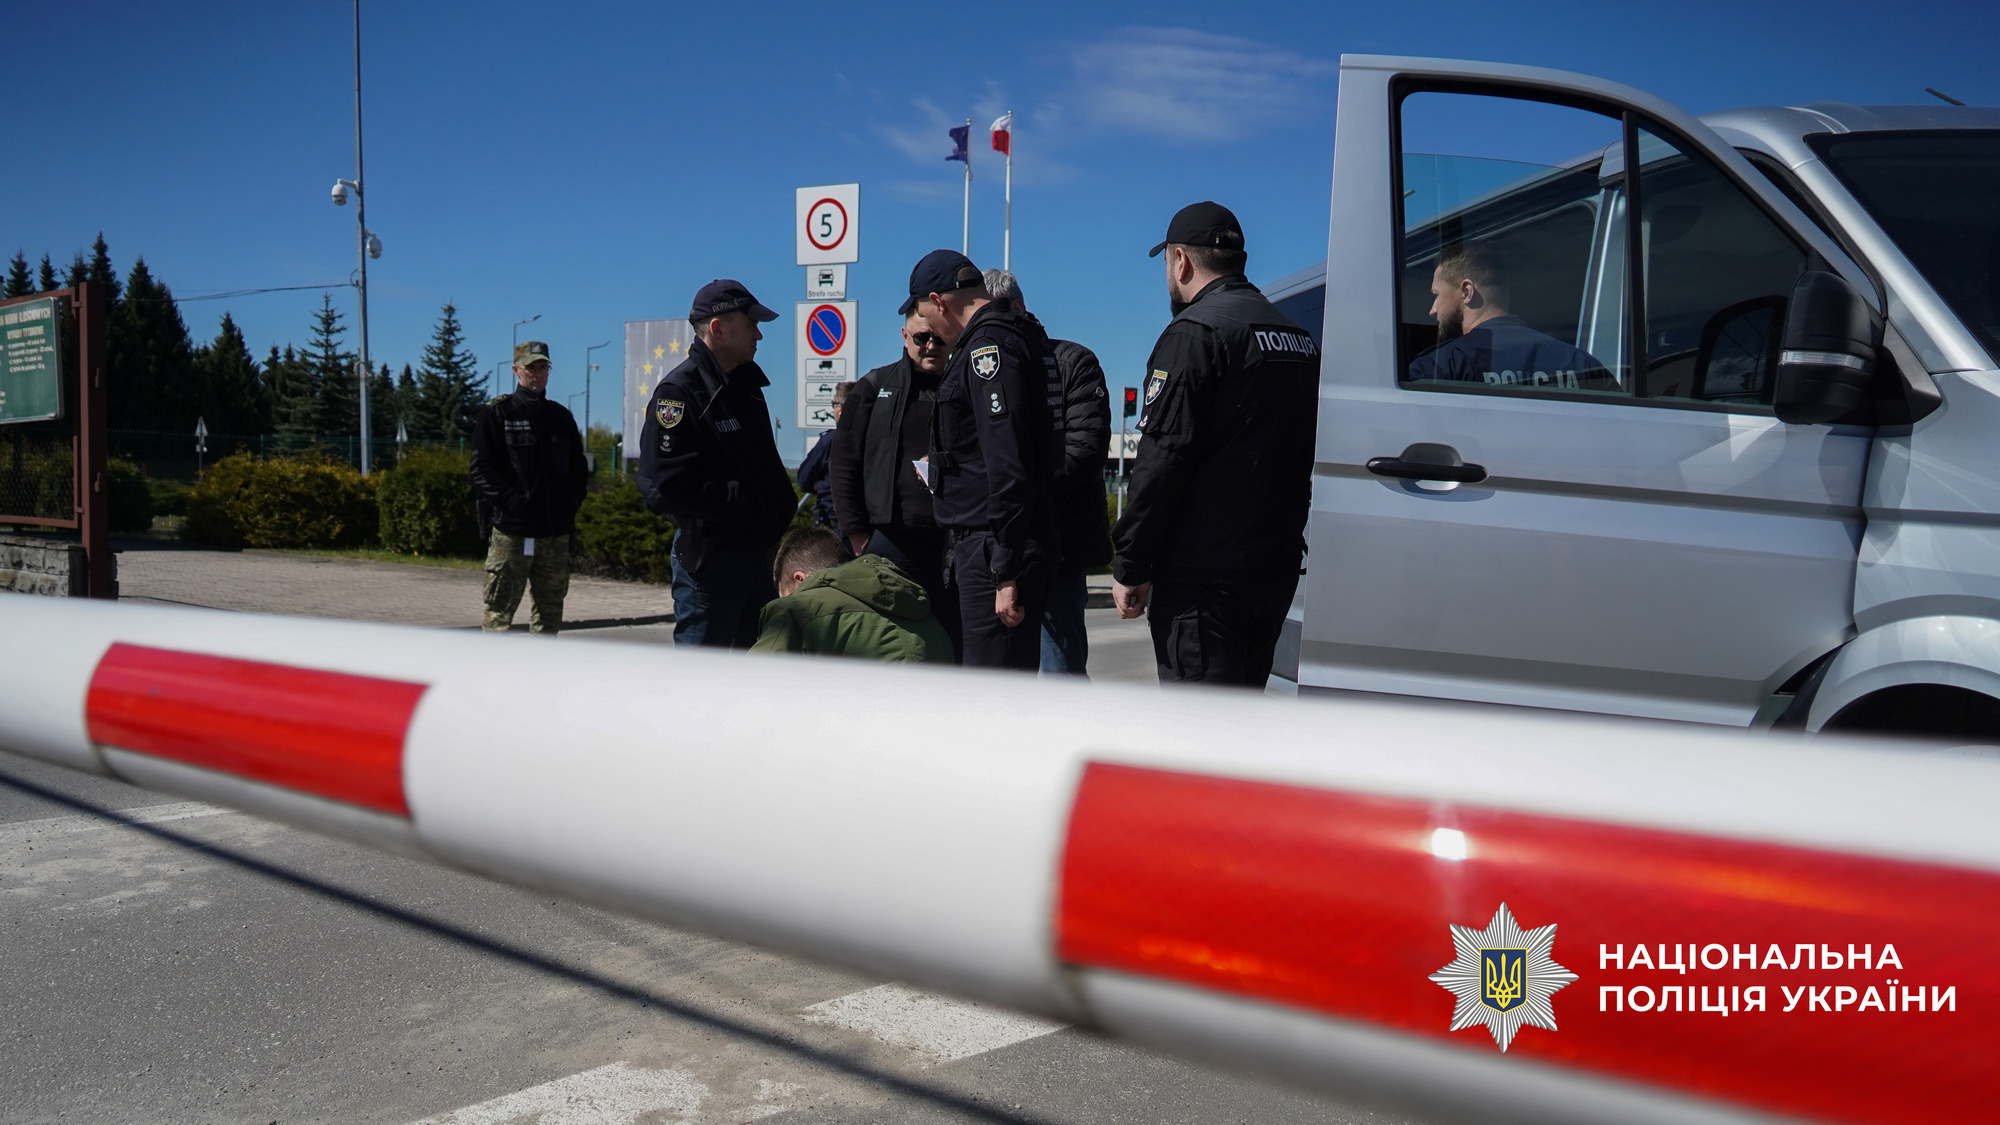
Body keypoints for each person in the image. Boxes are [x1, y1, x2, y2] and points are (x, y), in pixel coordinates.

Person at [1111, 202, 1320, 687]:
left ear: (1180, 261)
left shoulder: (1195, 333)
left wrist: (1132, 563)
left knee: (1201, 724)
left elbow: (1162, 458)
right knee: (1242, 716)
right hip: (1273, 570)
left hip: (1204, 579)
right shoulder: (1296, 336)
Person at [907, 248, 1063, 671]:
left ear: (938, 302)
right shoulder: (1014, 334)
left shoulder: (988, 347)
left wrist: (1004, 568)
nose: (932, 331)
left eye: (926, 316)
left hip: (995, 548)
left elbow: (1007, 460)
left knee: (994, 689)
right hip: (998, 543)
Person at [636, 280, 797, 648]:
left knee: (756, 669)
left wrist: (777, 508)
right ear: (717, 328)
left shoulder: (746, 387)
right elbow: (667, 484)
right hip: (712, 562)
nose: (759, 335)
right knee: (703, 675)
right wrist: (739, 507)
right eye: (751, 324)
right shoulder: (679, 393)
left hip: (757, 556)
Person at [983, 268, 1111, 679]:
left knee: (1059, 675)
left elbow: (1084, 455)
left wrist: (1014, 485)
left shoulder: (1072, 363)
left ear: (1018, 308)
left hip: (1058, 546)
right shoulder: (978, 367)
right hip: (991, 548)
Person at [827, 308, 959, 656]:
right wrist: (857, 536)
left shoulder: (965, 385)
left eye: (939, 338)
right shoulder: (875, 387)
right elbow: (843, 462)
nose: (931, 346)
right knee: (892, 650)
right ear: (905, 336)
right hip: (891, 542)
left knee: (952, 649)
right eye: (921, 337)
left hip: (954, 543)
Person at [469, 341, 590, 634]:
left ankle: (542, 666)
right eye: (530, 368)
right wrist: (515, 502)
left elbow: (578, 470)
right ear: (516, 370)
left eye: (542, 367)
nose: (537, 374)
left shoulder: (561, 417)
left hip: (554, 533)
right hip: (512, 532)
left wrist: (569, 503)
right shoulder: (498, 413)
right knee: (498, 613)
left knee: (550, 615)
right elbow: (481, 469)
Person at [1406, 242, 1615, 390]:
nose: (1432, 310)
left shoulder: (1441, 368)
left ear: (1467, 292)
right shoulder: (1582, 364)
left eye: (1436, 295)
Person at [750, 527, 954, 663]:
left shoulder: (794, 609)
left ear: (800, 579)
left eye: (787, 595)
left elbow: (751, 682)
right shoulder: (920, 609)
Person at [794, 381, 848, 528]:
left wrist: (822, 484)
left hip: (833, 520)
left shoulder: (830, 441)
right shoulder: (874, 439)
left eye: (834, 404)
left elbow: (804, 479)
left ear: (840, 409)